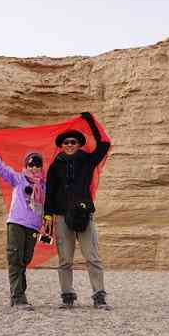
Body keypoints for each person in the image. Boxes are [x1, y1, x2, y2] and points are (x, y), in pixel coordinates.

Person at [43, 112, 112, 310]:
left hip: (84, 216)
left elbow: (104, 144)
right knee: (65, 259)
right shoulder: (55, 166)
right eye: (66, 142)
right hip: (63, 217)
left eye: (73, 142)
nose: (70, 145)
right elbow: (50, 192)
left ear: (79, 144)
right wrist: (48, 215)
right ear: (61, 145)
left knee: (92, 257)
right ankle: (67, 296)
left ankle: (99, 295)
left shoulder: (88, 160)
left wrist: (90, 120)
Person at [0, 148, 47, 310]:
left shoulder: (43, 185)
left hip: (33, 227)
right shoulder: (18, 179)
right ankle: (19, 297)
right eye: (31, 164)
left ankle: (18, 295)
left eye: (37, 164)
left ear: (42, 167)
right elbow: (1, 169)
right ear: (26, 165)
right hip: (17, 223)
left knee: (25, 260)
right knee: (15, 259)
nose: (34, 167)